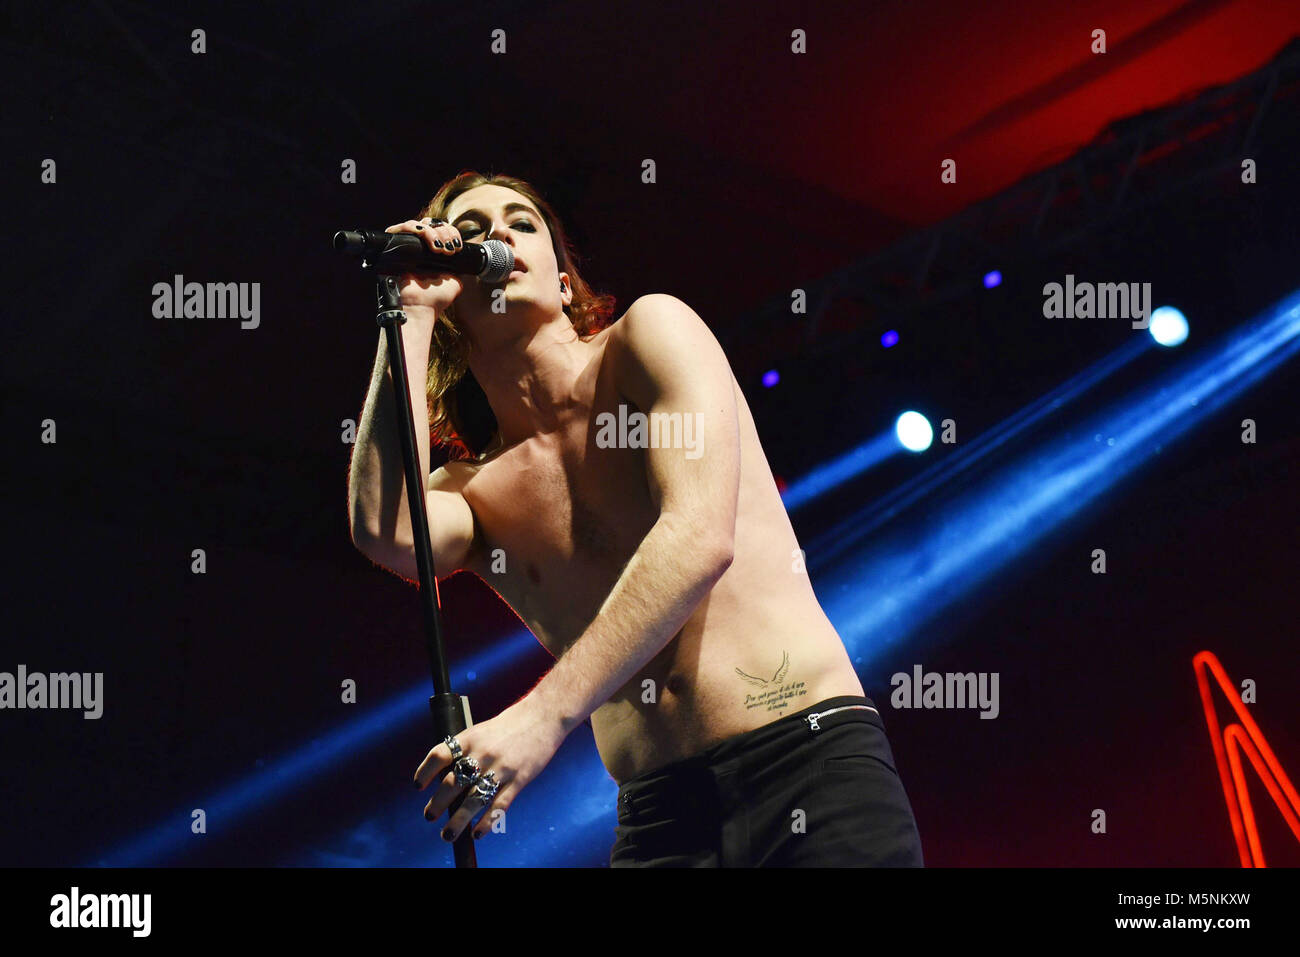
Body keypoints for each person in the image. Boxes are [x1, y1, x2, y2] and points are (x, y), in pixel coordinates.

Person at [347, 170, 924, 866]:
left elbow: (698, 538)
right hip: (662, 817)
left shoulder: (650, 334)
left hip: (806, 761)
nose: (497, 233)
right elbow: (387, 532)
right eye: (469, 233)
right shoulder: (473, 490)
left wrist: (539, 717)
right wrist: (409, 315)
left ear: (563, 282)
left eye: (522, 223)